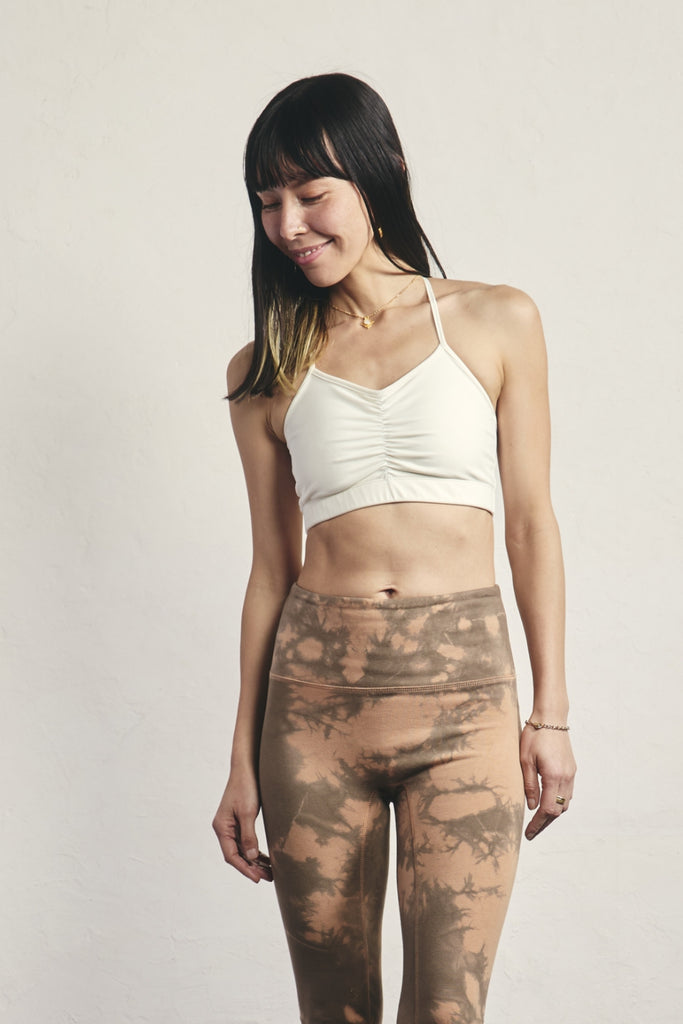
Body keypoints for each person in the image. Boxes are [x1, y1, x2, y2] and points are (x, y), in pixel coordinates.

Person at [212, 72, 576, 1024]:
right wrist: (241, 759)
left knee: (448, 1008)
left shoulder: (496, 319)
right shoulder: (262, 369)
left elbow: (530, 523)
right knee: (331, 1010)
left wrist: (551, 714)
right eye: (267, 202)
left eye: (310, 194)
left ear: (381, 174)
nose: (288, 224)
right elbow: (270, 572)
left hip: (464, 704)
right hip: (312, 715)